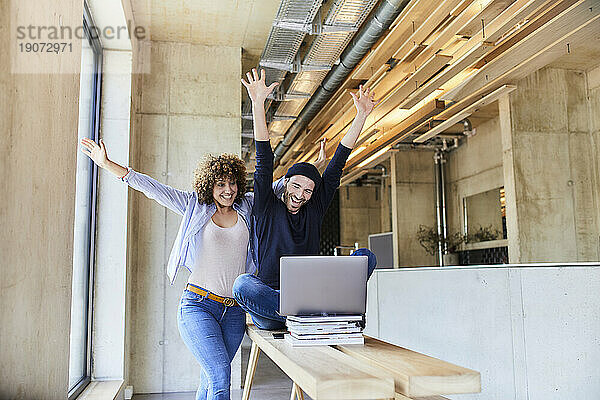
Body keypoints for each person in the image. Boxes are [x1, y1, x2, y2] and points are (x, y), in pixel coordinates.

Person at [79, 137, 326, 399]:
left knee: (209, 381)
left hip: (233, 313)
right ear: (210, 185)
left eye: (232, 183)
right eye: (220, 184)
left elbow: (288, 184)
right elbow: (152, 188)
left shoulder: (249, 205)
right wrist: (107, 164)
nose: (228, 190)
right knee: (221, 377)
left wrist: (315, 168)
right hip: (198, 305)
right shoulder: (194, 206)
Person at [234, 68, 379, 330]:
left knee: (366, 256)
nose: (301, 195)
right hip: (271, 305)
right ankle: (316, 315)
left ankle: (311, 313)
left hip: (310, 295)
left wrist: (361, 115)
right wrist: (257, 104)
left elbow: (336, 165)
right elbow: (264, 161)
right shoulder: (266, 206)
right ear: (286, 182)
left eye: (309, 191)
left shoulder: (314, 210)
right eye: (297, 186)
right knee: (243, 285)